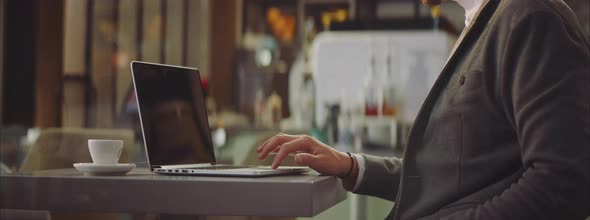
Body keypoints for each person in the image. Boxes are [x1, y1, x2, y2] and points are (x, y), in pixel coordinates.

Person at [256, 0, 590, 219]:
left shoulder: (530, 17)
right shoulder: (484, 21)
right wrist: (352, 165)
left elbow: (563, 182)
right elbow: (449, 175)